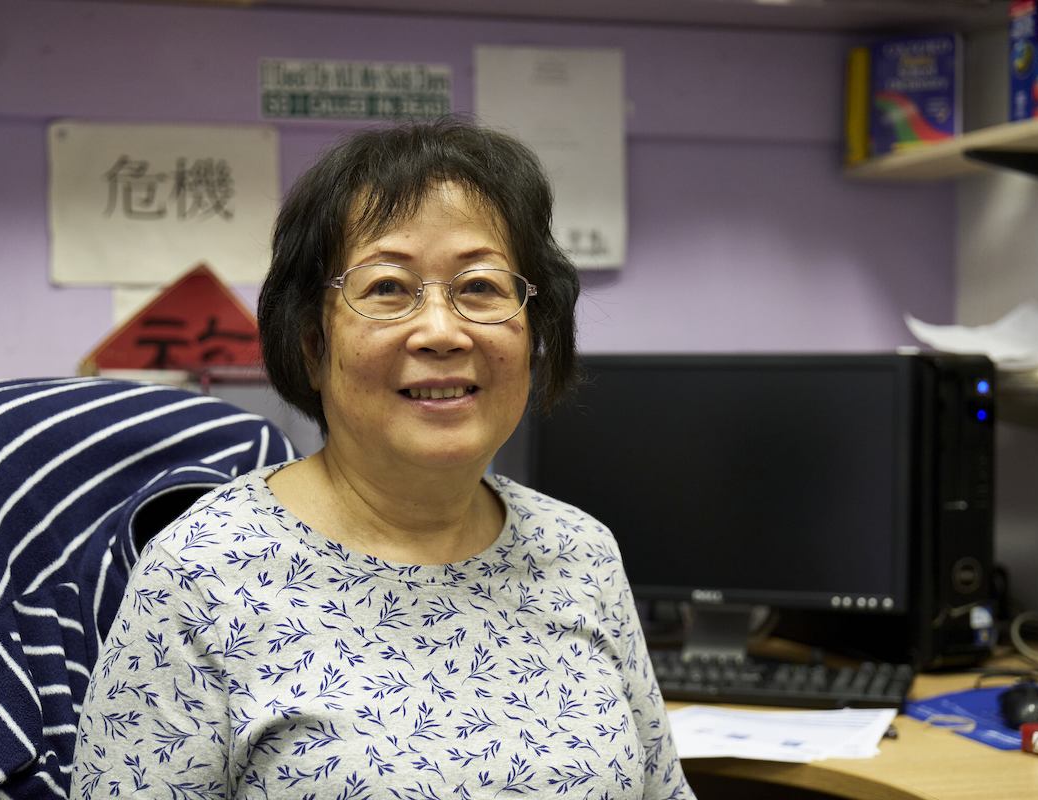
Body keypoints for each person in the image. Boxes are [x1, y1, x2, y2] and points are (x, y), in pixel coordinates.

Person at [71, 117, 695, 800]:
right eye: (389, 288)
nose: (441, 331)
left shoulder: (581, 553)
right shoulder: (202, 574)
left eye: (481, 287)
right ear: (312, 343)